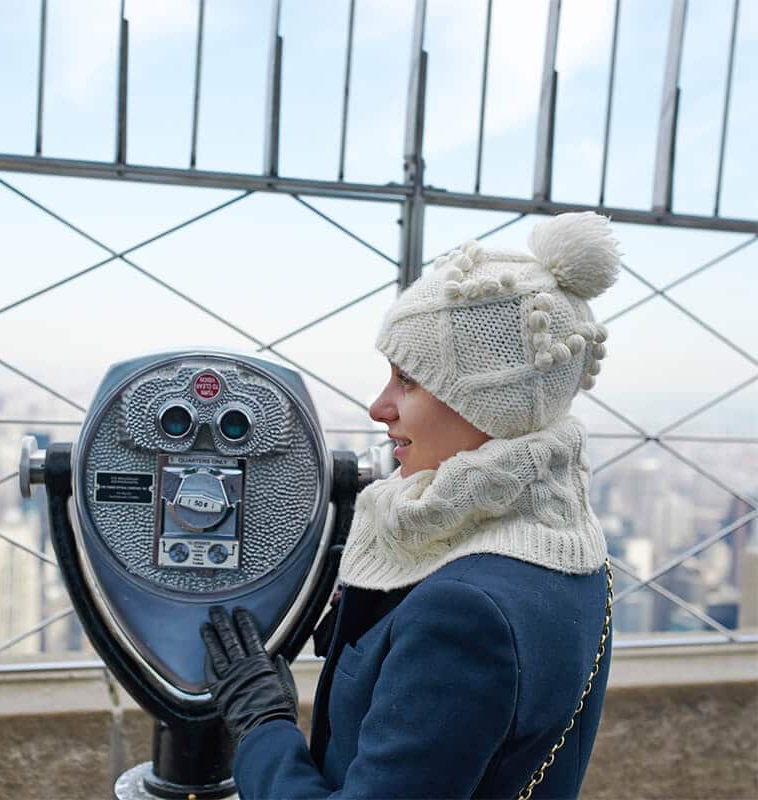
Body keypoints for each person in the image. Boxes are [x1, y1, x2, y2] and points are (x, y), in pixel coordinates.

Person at [201, 211, 620, 799]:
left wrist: (261, 726)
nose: (378, 406)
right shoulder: (567, 544)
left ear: (487, 404)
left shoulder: (463, 613)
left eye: (408, 380)